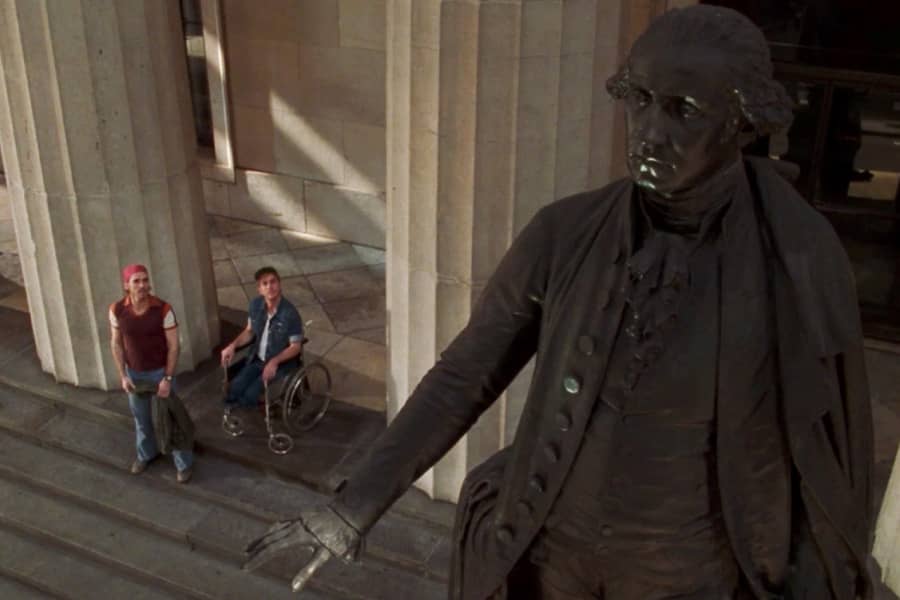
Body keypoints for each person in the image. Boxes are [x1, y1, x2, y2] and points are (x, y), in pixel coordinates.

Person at [244, 6, 874, 599]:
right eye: (642, 101)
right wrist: (355, 505)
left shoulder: (797, 261)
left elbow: (828, 442)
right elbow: (465, 374)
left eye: (684, 111)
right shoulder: (564, 233)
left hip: (690, 575)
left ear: (740, 123)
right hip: (550, 557)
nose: (651, 134)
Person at [109, 264, 194, 484]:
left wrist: (167, 378)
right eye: (136, 281)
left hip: (159, 373)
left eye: (145, 280)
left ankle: (184, 464)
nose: (142, 285)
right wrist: (123, 375)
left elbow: (174, 346)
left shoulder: (163, 309)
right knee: (142, 419)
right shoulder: (117, 310)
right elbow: (116, 344)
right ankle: (146, 454)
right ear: (126, 285)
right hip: (135, 374)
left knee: (171, 418)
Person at [220, 266, 304, 410]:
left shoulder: (290, 314)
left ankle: (255, 409)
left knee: (250, 395)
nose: (270, 286)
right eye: (265, 283)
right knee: (234, 388)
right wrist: (232, 345)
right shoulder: (255, 305)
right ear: (259, 289)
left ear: (279, 284)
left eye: (273, 282)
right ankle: (238, 410)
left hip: (280, 364)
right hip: (257, 359)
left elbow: (296, 347)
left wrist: (274, 362)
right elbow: (249, 331)